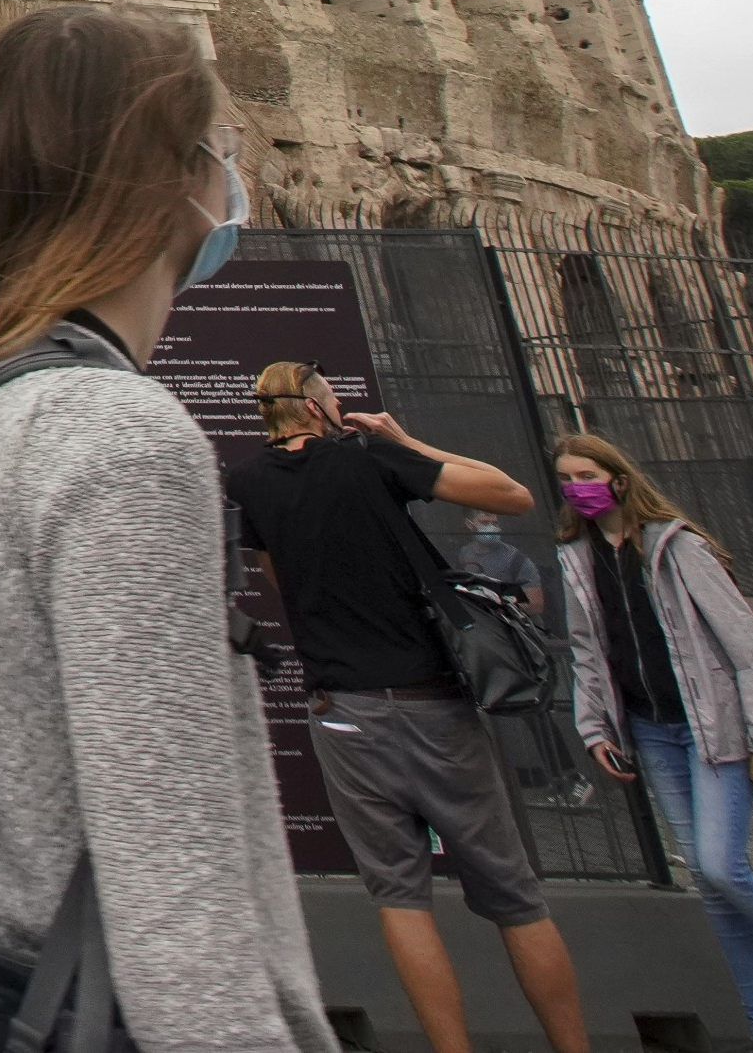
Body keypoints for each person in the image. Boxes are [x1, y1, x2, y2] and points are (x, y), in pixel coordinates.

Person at [0, 4, 339, 1053]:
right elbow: (174, 904)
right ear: (169, 174)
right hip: (88, 1006)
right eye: (221, 151)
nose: (231, 180)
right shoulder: (116, 437)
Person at [231, 360, 588, 1053]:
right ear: (312, 407)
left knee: (398, 896)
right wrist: (407, 442)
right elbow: (510, 495)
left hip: (342, 707)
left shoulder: (245, 485)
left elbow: (282, 580)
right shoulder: (370, 456)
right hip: (431, 699)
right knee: (513, 896)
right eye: (334, 399)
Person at [562, 436, 753, 1053]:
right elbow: (586, 651)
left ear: (619, 479)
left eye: (587, 474)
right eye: (567, 478)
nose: (576, 486)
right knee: (713, 888)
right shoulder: (577, 554)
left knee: (721, 867)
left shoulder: (679, 548)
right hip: (650, 729)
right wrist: (594, 726)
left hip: (713, 729)